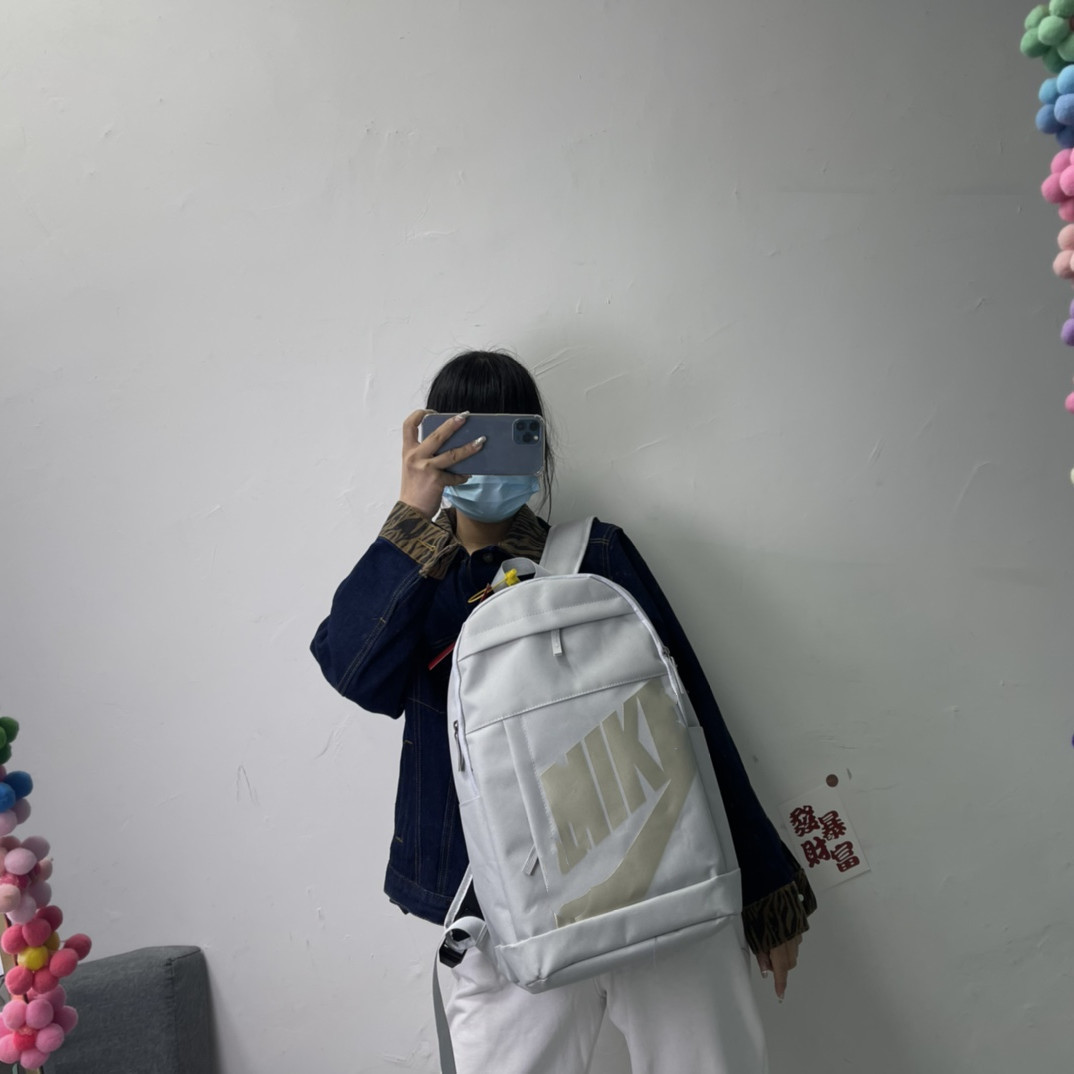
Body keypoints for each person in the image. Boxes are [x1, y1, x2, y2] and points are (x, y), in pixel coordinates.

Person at [311, 350, 816, 1074]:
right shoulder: (418, 581)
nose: (483, 454)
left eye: (509, 433)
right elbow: (355, 674)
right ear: (433, 443)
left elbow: (691, 715)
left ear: (538, 444)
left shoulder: (595, 554)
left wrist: (764, 883)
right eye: (465, 436)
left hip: (657, 872)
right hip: (495, 902)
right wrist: (412, 515)